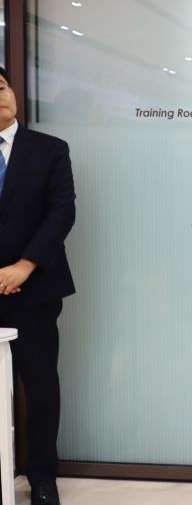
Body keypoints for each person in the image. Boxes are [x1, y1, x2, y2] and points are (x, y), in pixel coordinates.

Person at [0, 66, 76, 505]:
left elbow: (61, 211)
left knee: (41, 385)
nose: (0, 96)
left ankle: (42, 477)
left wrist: (24, 266)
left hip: (35, 289)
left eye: (2, 87)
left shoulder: (49, 149)